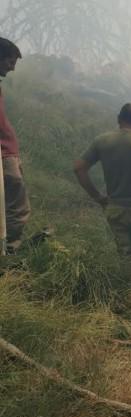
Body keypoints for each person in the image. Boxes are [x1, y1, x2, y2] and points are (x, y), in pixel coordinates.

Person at [74, 103, 131, 283]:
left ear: (119, 119)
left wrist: (98, 197)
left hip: (115, 206)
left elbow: (79, 168)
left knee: (127, 254)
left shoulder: (101, 141)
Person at [0, 37, 29, 254]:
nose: (12, 68)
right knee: (17, 206)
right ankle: (10, 251)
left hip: (9, 152)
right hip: (4, 153)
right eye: (10, 62)